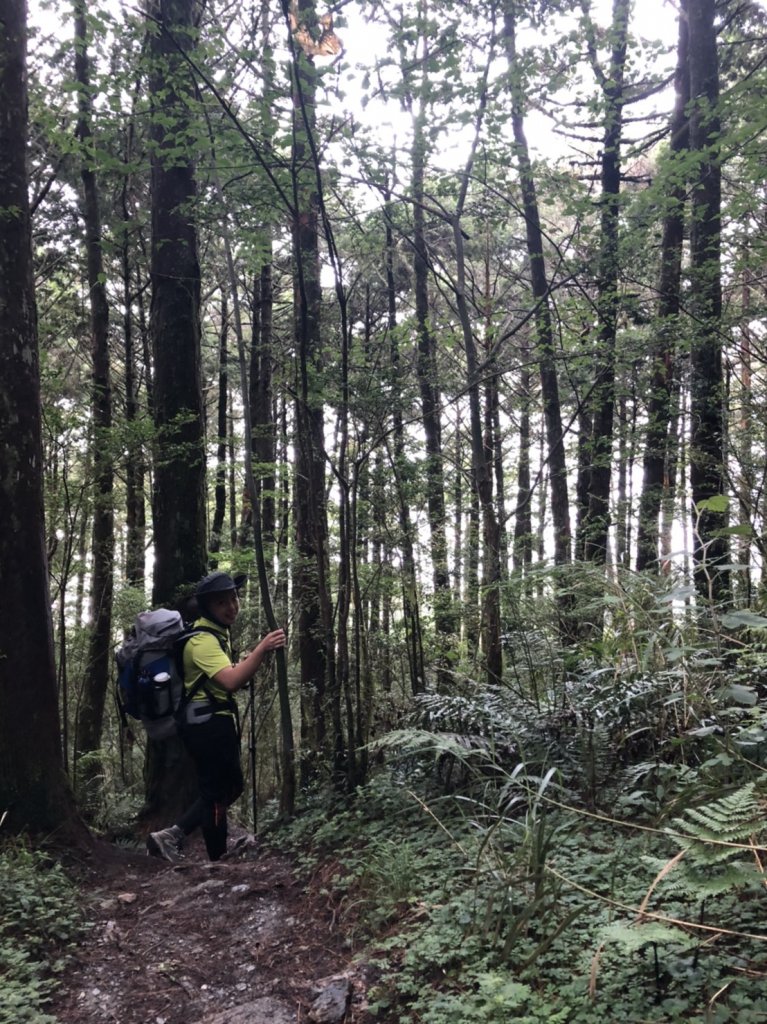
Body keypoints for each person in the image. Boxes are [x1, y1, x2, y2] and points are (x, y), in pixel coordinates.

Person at [147, 571, 286, 863]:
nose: (231, 607)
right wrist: (262, 648)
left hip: (209, 721)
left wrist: (248, 661)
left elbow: (222, 677)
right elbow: (231, 681)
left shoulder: (211, 636)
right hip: (207, 725)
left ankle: (207, 852)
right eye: (222, 602)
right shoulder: (203, 642)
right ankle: (188, 844)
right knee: (218, 791)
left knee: (223, 789)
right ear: (208, 608)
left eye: (233, 598)